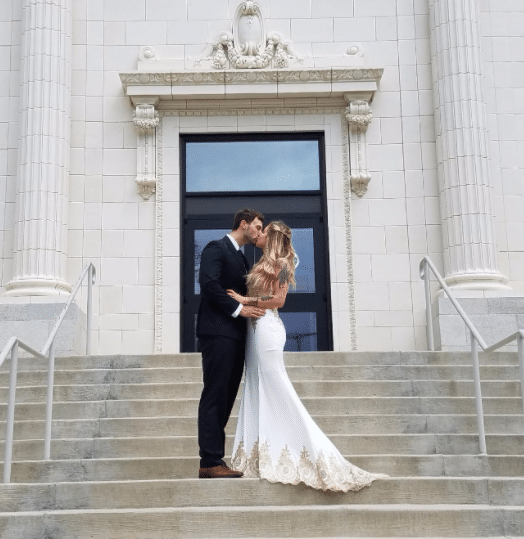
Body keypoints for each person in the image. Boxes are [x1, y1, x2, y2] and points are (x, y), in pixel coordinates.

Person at [226, 221, 388, 492]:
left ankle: (308, 449)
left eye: (264, 230)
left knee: (277, 387)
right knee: (255, 387)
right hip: (253, 331)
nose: (260, 234)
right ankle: (259, 453)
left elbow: (279, 301)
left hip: (267, 329)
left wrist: (246, 301)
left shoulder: (284, 263)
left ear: (273, 236)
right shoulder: (262, 262)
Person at [196, 208, 266, 479]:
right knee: (215, 395)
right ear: (244, 223)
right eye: (258, 227)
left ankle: (214, 459)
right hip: (217, 332)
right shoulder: (217, 248)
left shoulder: (242, 257)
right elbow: (209, 284)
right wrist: (239, 310)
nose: (259, 232)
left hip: (236, 336)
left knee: (226, 397)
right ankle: (210, 461)